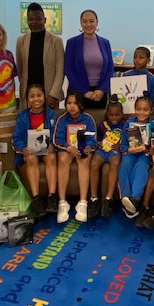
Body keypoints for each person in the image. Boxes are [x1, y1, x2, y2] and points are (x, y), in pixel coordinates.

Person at [11, 84, 58, 218]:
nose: (36, 99)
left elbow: (56, 134)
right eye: (32, 96)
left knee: (51, 157)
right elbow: (16, 138)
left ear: (44, 97)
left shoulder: (51, 114)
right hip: (30, 152)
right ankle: (36, 198)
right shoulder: (22, 116)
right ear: (27, 99)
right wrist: (23, 149)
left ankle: (52, 197)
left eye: (39, 95)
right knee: (32, 159)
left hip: (46, 150)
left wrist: (52, 146)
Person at [53, 91, 97, 223]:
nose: (71, 106)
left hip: (81, 149)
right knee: (63, 160)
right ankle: (62, 202)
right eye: (69, 103)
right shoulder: (62, 119)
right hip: (66, 149)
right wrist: (68, 147)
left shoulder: (88, 119)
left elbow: (93, 138)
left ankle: (82, 202)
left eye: (75, 103)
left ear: (81, 105)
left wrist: (89, 147)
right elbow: (57, 139)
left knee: (84, 159)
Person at [117, 94, 154, 218]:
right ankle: (125, 198)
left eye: (145, 110)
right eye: (138, 109)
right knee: (125, 163)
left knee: (142, 166)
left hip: (145, 155)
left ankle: (134, 199)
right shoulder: (128, 123)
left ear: (151, 110)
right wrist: (128, 149)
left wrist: (153, 151)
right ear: (134, 109)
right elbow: (122, 145)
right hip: (131, 152)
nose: (141, 112)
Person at [15, 2, 65, 110]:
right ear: (27, 21)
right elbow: (20, 69)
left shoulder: (56, 41)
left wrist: (54, 94)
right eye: (31, 19)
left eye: (38, 19)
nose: (34, 22)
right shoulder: (21, 41)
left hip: (49, 96)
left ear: (45, 20)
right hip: (28, 97)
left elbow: (60, 70)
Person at [64, 10, 114, 109]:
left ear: (97, 22)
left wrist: (102, 90)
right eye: (85, 21)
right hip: (77, 94)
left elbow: (110, 69)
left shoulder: (105, 43)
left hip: (99, 95)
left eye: (91, 21)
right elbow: (68, 69)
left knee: (98, 119)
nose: (88, 24)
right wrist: (85, 92)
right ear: (81, 23)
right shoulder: (72, 43)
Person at [88, 94, 125, 219]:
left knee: (115, 163)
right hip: (102, 150)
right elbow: (96, 139)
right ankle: (94, 198)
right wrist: (98, 143)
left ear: (121, 114)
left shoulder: (124, 126)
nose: (114, 117)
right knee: (94, 164)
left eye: (117, 115)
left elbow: (127, 142)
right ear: (107, 114)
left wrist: (119, 146)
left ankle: (108, 198)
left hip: (115, 151)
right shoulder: (103, 125)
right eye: (111, 115)